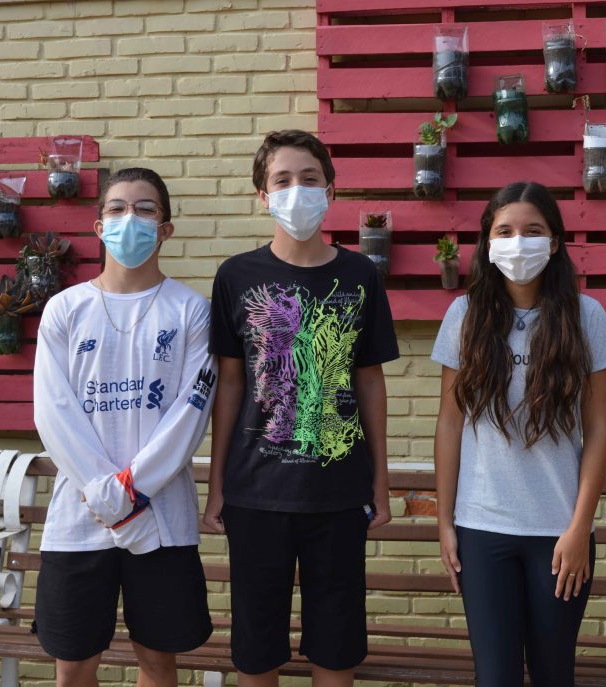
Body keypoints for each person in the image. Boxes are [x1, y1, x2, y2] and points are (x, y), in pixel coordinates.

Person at [203, 130, 399, 687]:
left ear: (330, 191)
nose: (297, 190)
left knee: (336, 653)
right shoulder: (236, 277)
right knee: (256, 652)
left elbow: (370, 382)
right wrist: (217, 484)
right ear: (263, 196)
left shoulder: (361, 275)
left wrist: (381, 480)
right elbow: (230, 386)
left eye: (309, 178)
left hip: (339, 493)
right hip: (256, 494)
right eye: (282, 180)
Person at [432, 181, 606, 686]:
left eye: (533, 230)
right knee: (495, 676)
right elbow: (450, 423)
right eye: (505, 231)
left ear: (555, 242)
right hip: (482, 527)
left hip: (559, 532)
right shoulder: (464, 315)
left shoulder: (587, 316)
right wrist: (445, 521)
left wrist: (580, 527)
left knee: (553, 673)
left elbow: (599, 429)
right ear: (488, 242)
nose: (519, 242)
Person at [32, 167, 215, 687]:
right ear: (99, 227)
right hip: (79, 520)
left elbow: (190, 414)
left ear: (166, 228)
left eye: (145, 209)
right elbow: (53, 411)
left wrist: (131, 493)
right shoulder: (65, 309)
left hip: (163, 522)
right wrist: (107, 493)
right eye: (116, 208)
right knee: (73, 667)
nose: (129, 219)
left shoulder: (191, 311)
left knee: (157, 663)